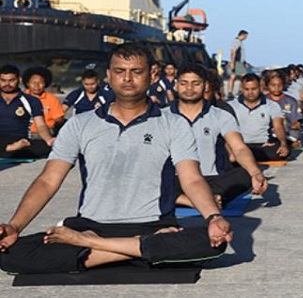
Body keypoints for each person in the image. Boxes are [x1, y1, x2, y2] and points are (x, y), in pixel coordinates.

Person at [0, 44, 231, 274]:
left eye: (136, 72)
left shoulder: (173, 123)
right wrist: (15, 226)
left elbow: (191, 179)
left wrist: (213, 217)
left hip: (153, 225)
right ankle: (137, 251)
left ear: (152, 75)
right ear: (109, 76)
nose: (127, 79)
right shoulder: (80, 124)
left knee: (213, 242)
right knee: (11, 254)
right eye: (120, 71)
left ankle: (93, 248)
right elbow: (48, 180)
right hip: (92, 225)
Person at [171, 63, 268, 208]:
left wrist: (255, 173)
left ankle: (195, 198)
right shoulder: (162, 116)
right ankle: (193, 201)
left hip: (211, 179)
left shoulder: (221, 115)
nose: (189, 88)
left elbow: (239, 148)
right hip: (176, 179)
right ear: (175, 85)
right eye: (184, 83)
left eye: (196, 83)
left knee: (245, 174)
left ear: (205, 86)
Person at [228, 73, 290, 162]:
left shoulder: (272, 105)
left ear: (260, 88)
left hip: (264, 145)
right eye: (246, 89)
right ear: (241, 88)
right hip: (240, 145)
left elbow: (278, 126)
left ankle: (245, 157)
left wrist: (283, 144)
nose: (250, 92)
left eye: (254, 89)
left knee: (282, 152)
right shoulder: (231, 105)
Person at [0, 64, 55, 158]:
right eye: (3, 80)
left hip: (21, 141)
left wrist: (49, 140)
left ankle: (10, 150)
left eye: (11, 80)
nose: (7, 84)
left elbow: (40, 125)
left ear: (19, 80)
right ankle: (9, 149)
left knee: (46, 147)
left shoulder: (31, 100)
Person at [22, 66, 65, 135]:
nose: (37, 86)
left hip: (46, 131)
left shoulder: (51, 98)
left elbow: (59, 119)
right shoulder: (21, 97)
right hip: (24, 131)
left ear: (45, 84)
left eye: (40, 83)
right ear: (27, 84)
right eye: (33, 83)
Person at [227, 30, 250, 99]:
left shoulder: (240, 42)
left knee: (236, 77)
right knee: (240, 77)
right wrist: (233, 63)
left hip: (239, 62)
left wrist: (244, 62)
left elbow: (240, 53)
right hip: (237, 62)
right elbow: (233, 52)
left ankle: (234, 92)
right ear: (243, 35)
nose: (246, 38)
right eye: (246, 36)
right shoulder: (237, 41)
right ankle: (234, 92)